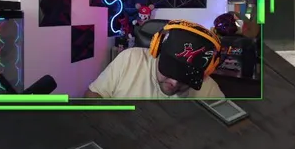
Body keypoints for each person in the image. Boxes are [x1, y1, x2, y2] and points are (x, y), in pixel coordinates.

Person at [85, 20, 226, 99]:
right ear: (156, 49)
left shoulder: (209, 89)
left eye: (186, 77)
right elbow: (94, 94)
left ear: (207, 70)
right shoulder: (129, 59)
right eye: (170, 70)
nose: (174, 83)